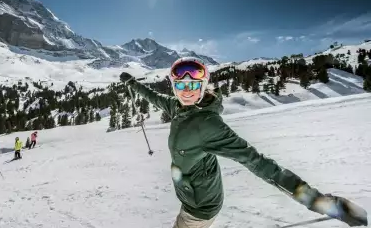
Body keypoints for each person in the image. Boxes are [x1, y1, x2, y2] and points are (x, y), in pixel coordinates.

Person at [119, 57, 367, 228]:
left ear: (203, 86)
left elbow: (261, 165)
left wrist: (324, 203)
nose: (186, 91)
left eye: (193, 85)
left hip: (199, 208)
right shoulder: (178, 107)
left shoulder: (209, 125)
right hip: (195, 192)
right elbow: (154, 96)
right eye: (181, 85)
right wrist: (132, 83)